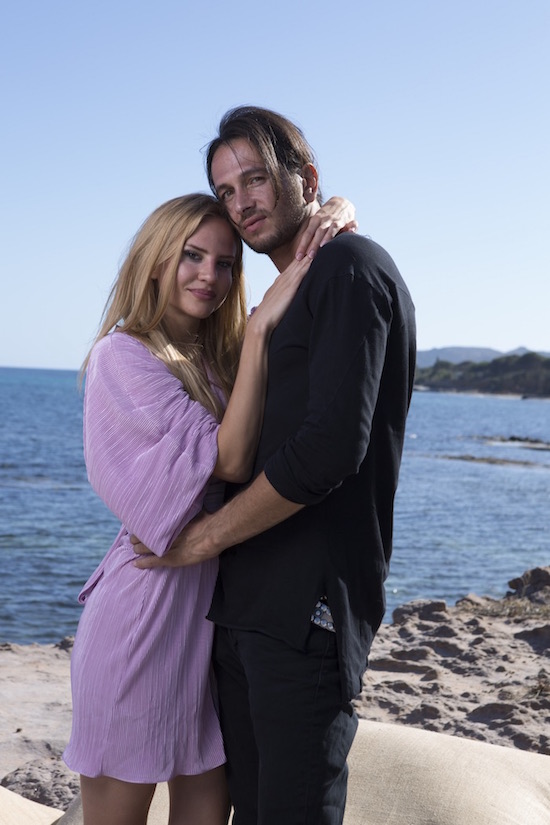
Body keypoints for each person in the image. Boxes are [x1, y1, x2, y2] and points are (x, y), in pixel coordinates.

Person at [134, 106, 416, 825]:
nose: (241, 203)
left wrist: (200, 539)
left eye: (255, 179)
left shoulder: (350, 268)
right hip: (244, 612)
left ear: (306, 180)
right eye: (226, 191)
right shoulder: (282, 298)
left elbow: (329, 449)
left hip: (306, 614)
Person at [62, 191, 355, 825]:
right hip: (144, 616)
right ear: (154, 261)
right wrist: (259, 329)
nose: (209, 276)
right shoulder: (124, 355)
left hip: (213, 631)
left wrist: (336, 206)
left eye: (225, 263)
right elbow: (230, 459)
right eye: (192, 256)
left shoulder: (217, 357)